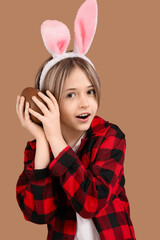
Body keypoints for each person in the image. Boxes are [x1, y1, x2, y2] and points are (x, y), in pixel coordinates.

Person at [16, 0, 136, 239]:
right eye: (71, 94)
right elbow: (39, 213)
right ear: (48, 101)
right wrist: (43, 140)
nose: (85, 103)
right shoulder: (36, 150)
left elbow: (91, 201)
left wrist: (56, 141)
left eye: (90, 91)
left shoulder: (109, 137)